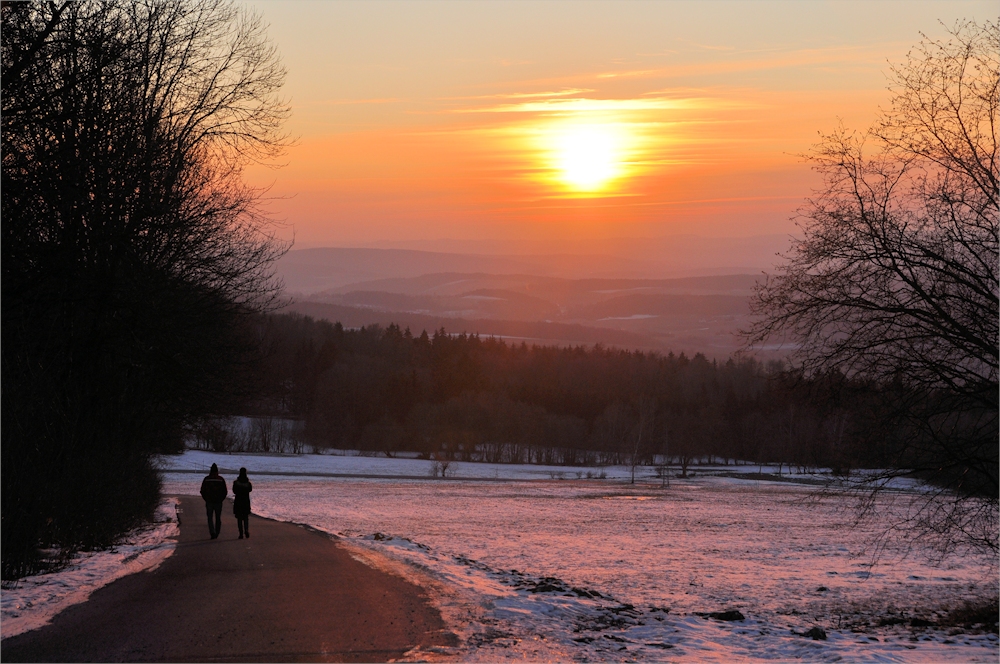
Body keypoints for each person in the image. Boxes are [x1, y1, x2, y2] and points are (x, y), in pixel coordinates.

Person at [199, 463, 227, 539]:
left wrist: (206, 498)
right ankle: (217, 532)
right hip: (218, 501)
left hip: (209, 501)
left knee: (210, 518)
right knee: (218, 518)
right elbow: (225, 491)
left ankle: (212, 531)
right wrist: (221, 499)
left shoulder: (206, 479)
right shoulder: (221, 479)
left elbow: (202, 490)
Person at [232, 467, 253, 539]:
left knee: (239, 518)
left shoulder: (236, 483)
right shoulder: (248, 483)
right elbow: (250, 490)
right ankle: (246, 530)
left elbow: (234, 491)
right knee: (246, 517)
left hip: (238, 501)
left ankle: (240, 533)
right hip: (246, 501)